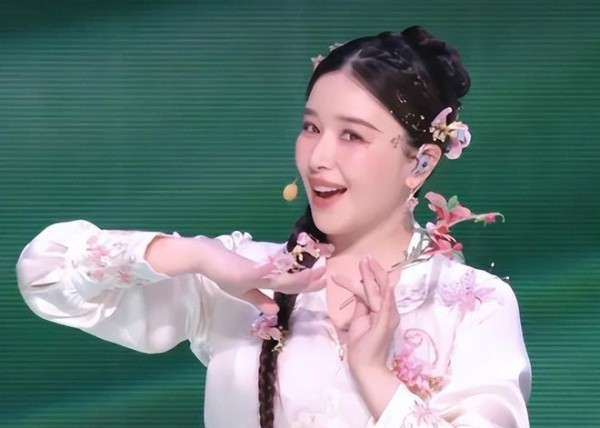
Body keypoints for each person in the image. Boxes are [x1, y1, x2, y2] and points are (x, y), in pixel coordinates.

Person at [16, 26, 531, 427]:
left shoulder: (470, 303)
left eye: (352, 136)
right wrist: (198, 257)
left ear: (420, 164)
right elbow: (46, 276)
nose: (318, 157)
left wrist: (374, 373)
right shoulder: (249, 276)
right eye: (311, 127)